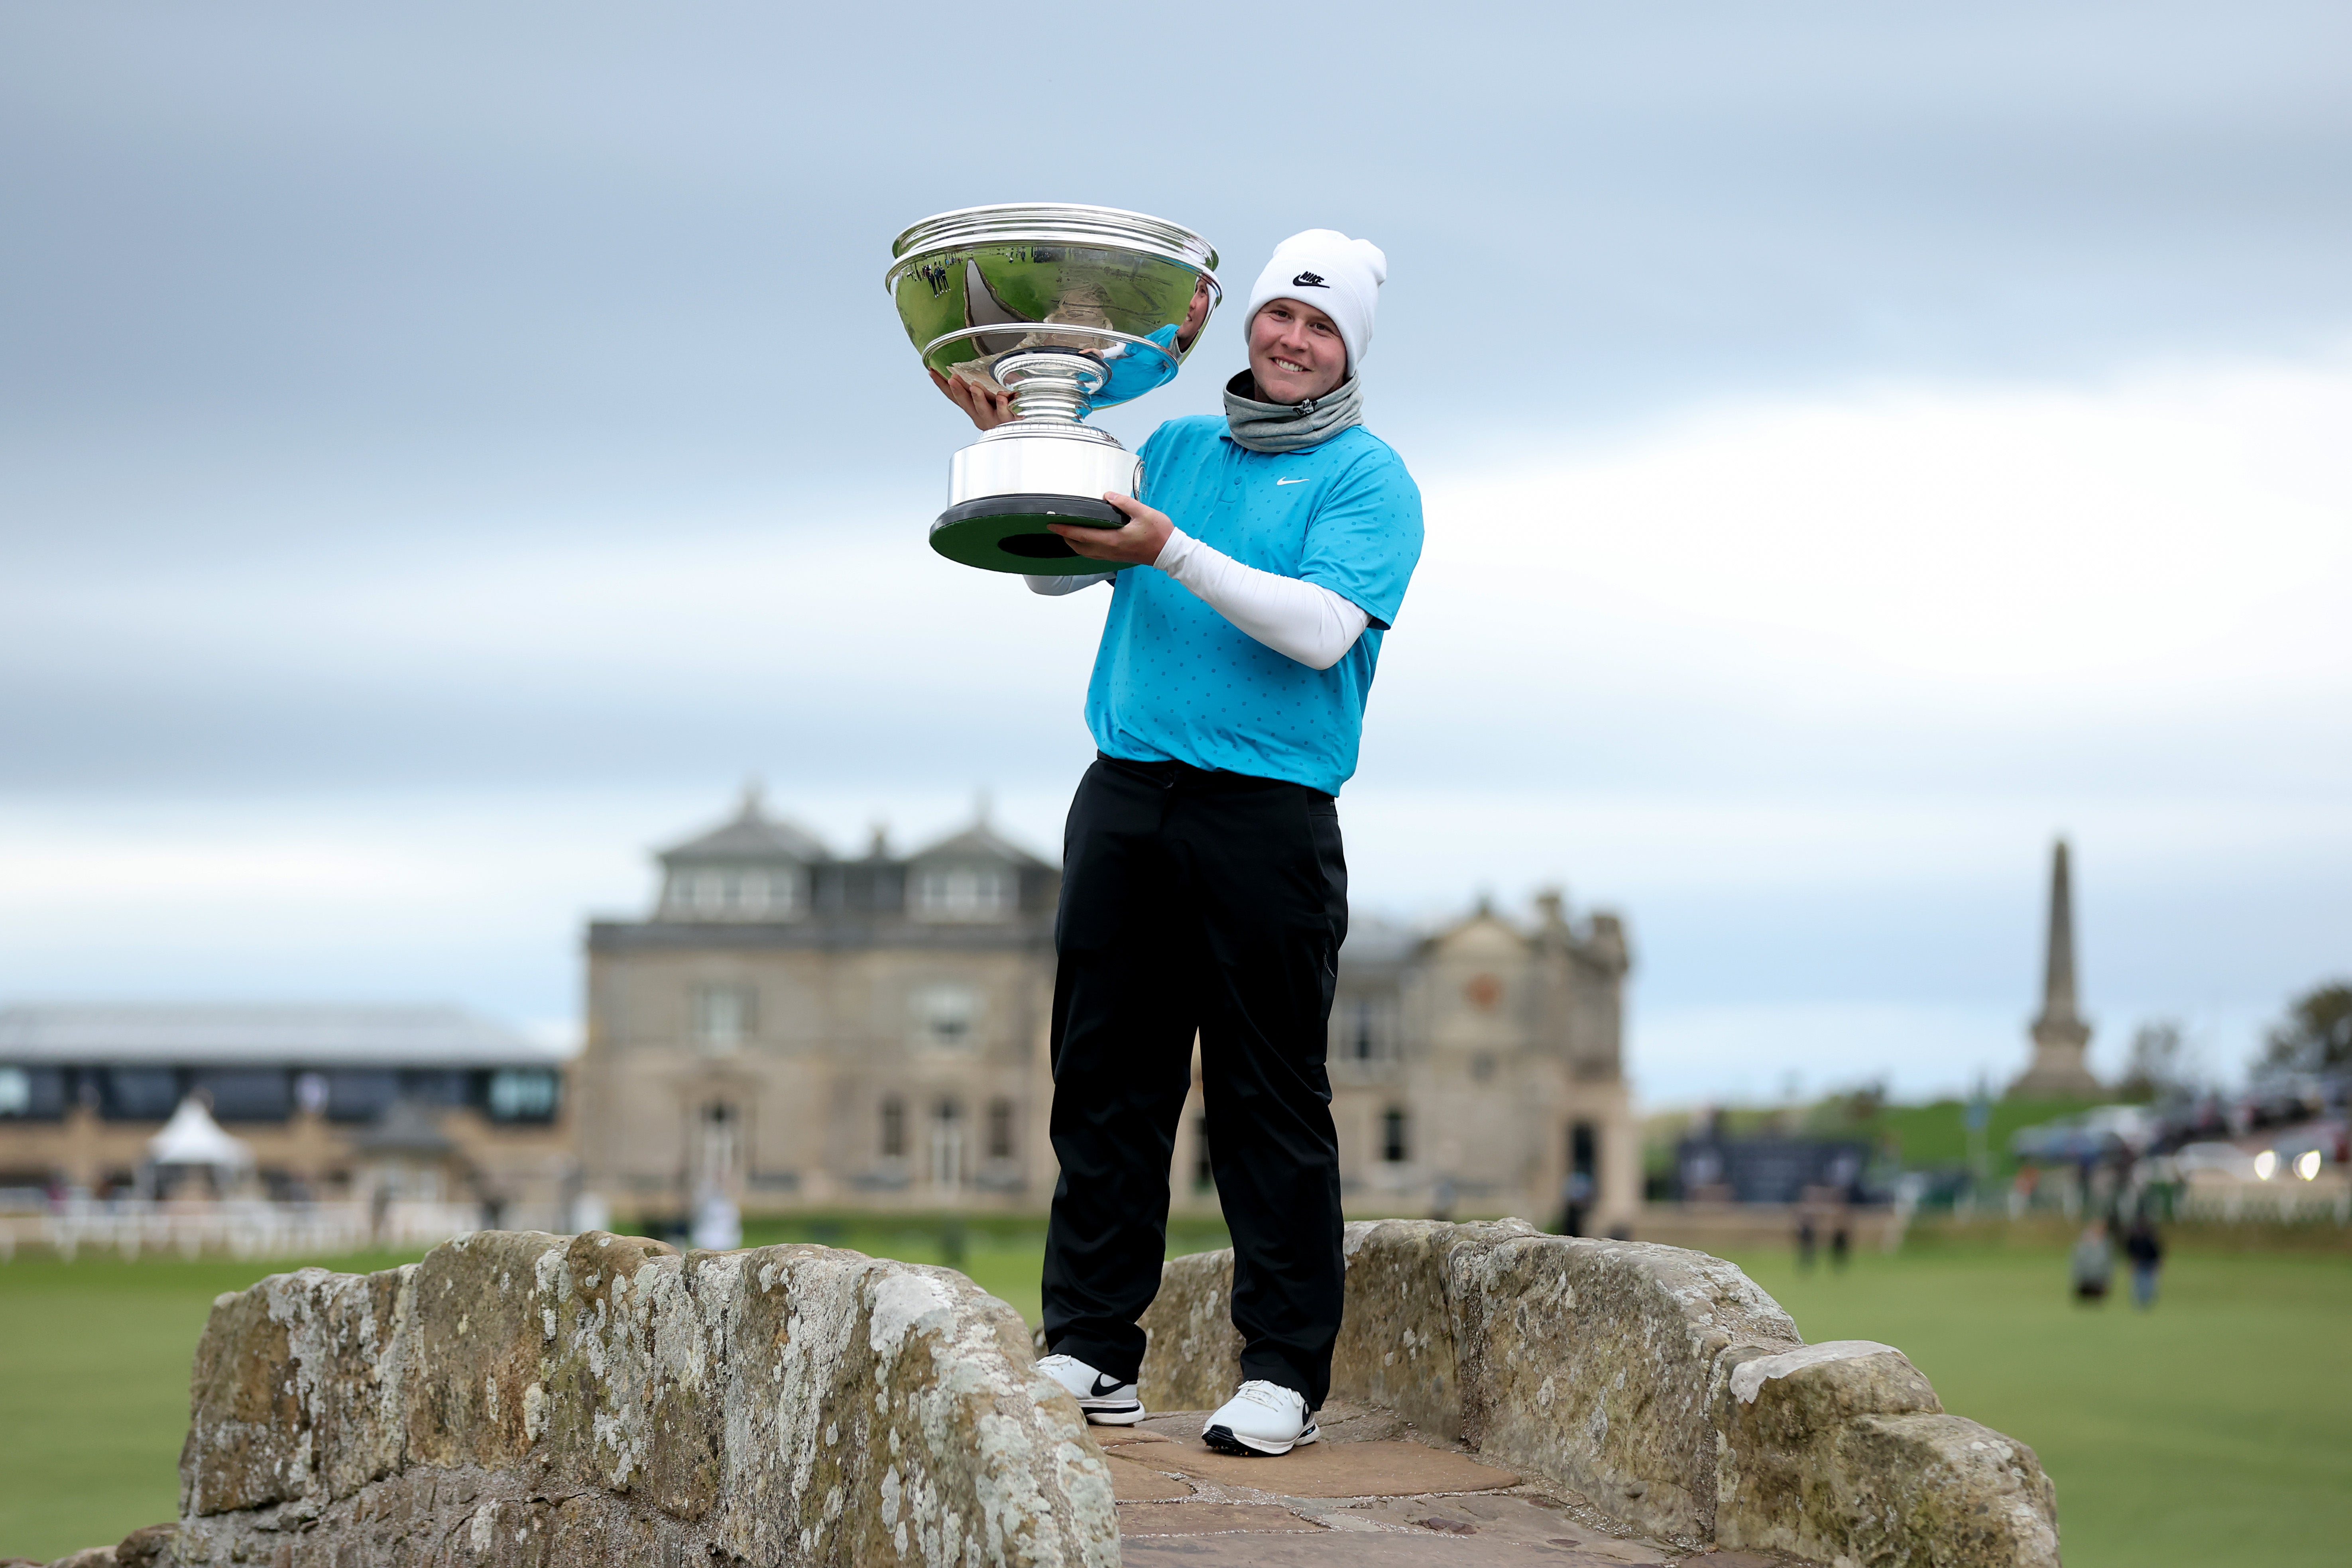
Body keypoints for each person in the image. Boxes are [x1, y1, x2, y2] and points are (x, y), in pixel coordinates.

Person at [933, 230, 1419, 1458]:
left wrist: (1171, 549)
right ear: (1249, 327)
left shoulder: (1369, 479)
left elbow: (1315, 631)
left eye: (1320, 328)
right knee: (1104, 1084)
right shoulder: (1174, 450)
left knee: (1267, 1102)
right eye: (1277, 318)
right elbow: (1054, 578)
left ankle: (1282, 1374)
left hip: (1265, 815)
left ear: (1348, 346)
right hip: (1127, 794)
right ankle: (1091, 1349)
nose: (1292, 342)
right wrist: (1018, 443)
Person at [2123, 1215, 2164, 1309]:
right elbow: (2130, 1251)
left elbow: (2156, 1252)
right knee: (2138, 1284)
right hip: (2138, 1264)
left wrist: (2157, 1264)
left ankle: (2147, 1302)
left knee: (2148, 1284)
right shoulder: (2134, 1238)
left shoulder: (2151, 1238)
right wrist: (2132, 1262)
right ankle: (2139, 1303)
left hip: (2150, 1264)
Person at [2070, 1220, 2114, 1303]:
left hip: (2099, 1278)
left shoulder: (2105, 1246)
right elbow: (2078, 1263)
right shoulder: (2083, 1245)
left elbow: (2108, 1265)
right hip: (2086, 1278)